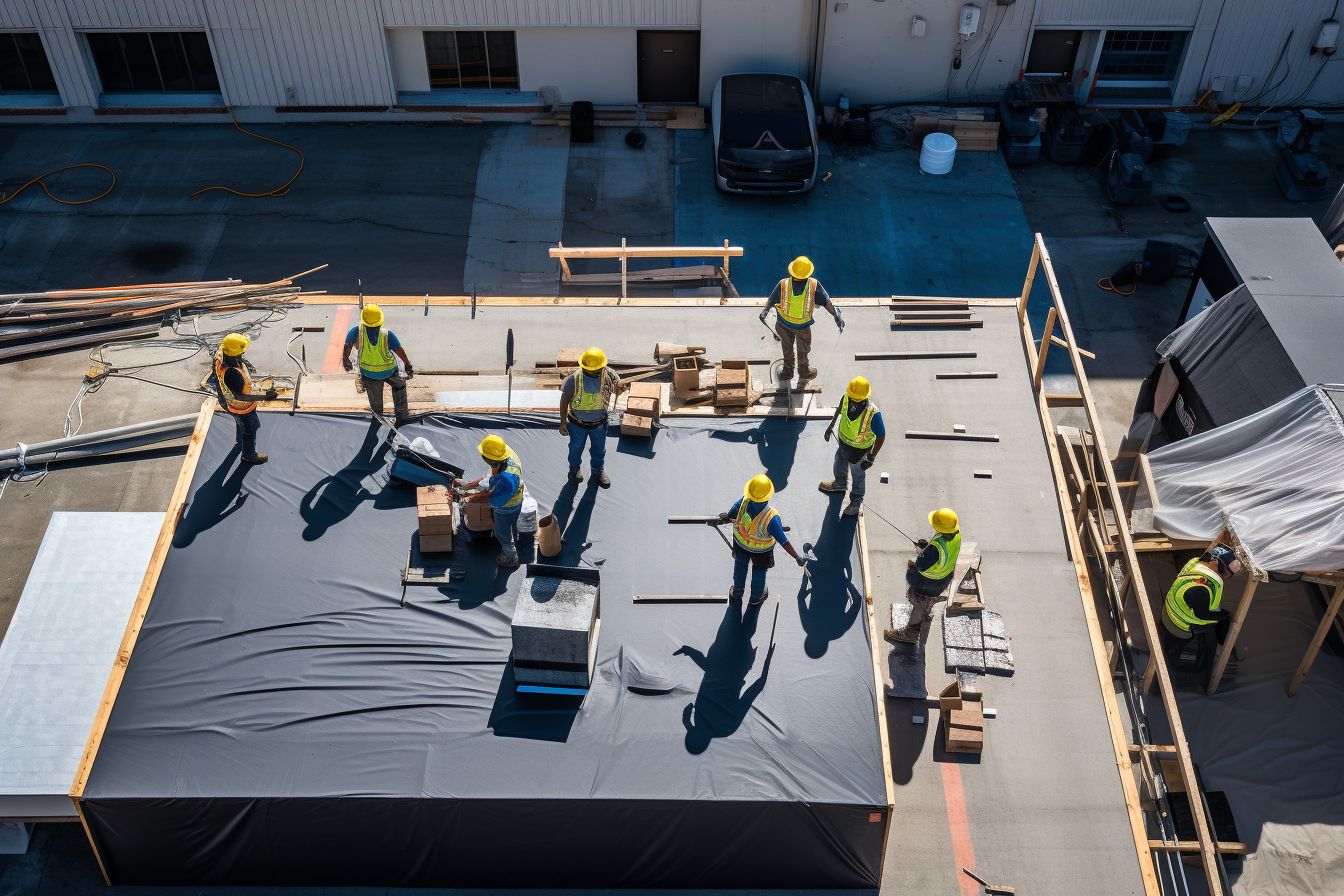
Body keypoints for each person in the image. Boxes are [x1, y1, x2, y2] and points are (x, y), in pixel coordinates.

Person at [717, 474, 805, 606]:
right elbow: (783, 541)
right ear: (768, 495)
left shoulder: (744, 501)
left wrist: (726, 516)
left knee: (740, 567)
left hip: (741, 544)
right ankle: (755, 597)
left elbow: (732, 514)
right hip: (762, 551)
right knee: (759, 571)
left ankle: (737, 591)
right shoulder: (772, 518)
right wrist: (797, 557)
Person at [760, 256, 844, 386]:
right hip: (802, 326)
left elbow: (771, 300)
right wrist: (836, 316)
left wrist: (765, 311)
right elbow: (826, 302)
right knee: (803, 349)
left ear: (791, 271)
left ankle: (788, 371)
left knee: (787, 347)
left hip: (783, 323)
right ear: (808, 274)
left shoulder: (783, 284)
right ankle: (804, 372)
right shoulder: (813, 285)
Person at [885, 508, 961, 644]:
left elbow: (921, 565)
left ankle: (911, 633)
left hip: (930, 582)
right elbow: (940, 554)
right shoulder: (956, 536)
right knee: (922, 594)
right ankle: (927, 607)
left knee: (917, 595)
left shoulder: (935, 549)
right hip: (945, 578)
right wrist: (926, 547)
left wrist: (921, 552)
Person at [1161, 545, 1239, 671]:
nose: (1225, 577)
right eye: (1225, 573)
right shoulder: (1201, 588)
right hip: (1179, 625)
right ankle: (1169, 671)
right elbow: (1202, 615)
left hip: (1170, 608)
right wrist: (1224, 615)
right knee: (1206, 645)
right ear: (1215, 562)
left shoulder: (1195, 564)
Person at [819, 375, 886, 516]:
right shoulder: (846, 398)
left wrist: (872, 457)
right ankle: (840, 484)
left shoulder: (873, 413)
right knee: (839, 462)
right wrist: (830, 427)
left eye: (857, 397)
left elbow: (881, 435)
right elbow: (839, 411)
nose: (853, 399)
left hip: (860, 451)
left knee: (858, 474)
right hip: (843, 442)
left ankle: (856, 502)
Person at [558, 346, 622, 488]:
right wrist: (563, 422)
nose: (593, 372)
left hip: (599, 424)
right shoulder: (575, 379)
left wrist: (620, 389)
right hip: (577, 424)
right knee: (575, 448)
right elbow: (564, 400)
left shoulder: (610, 375)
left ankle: (597, 470)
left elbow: (618, 389)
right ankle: (574, 469)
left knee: (599, 449)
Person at [341, 304, 415, 426]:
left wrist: (346, 361)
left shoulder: (356, 332)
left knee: (375, 398)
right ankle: (402, 415)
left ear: (364, 321)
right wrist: (408, 366)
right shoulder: (387, 334)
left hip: (369, 373)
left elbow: (347, 346)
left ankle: (378, 416)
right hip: (389, 371)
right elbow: (399, 350)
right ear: (380, 322)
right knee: (399, 385)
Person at [460, 434, 525, 568]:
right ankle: (515, 537)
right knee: (512, 524)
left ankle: (510, 556)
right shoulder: (507, 456)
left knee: (502, 532)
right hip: (516, 499)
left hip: (506, 507)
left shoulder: (506, 480)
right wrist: (468, 485)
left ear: (489, 459)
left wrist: (468, 499)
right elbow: (492, 477)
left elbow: (492, 498)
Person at [212, 332, 277, 465]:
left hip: (229, 403)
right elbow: (240, 396)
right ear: (236, 353)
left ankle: (239, 441)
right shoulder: (232, 374)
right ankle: (248, 455)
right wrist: (265, 396)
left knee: (239, 423)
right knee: (250, 429)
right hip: (241, 406)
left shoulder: (224, 355)